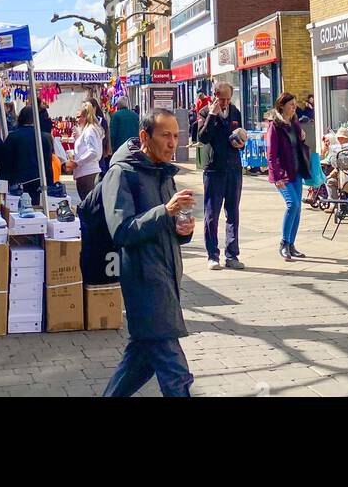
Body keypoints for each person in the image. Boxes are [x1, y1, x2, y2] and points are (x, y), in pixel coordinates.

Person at [102, 108, 195, 398]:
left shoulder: (164, 173)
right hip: (144, 281)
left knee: (139, 363)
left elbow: (164, 225)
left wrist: (184, 229)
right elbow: (122, 231)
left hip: (166, 277)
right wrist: (165, 212)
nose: (172, 143)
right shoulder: (121, 173)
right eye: (165, 135)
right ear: (145, 136)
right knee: (176, 373)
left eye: (176, 136)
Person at [196, 81, 245, 271]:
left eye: (228, 99)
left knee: (233, 212)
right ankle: (212, 255)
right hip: (214, 169)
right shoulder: (205, 113)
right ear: (215, 96)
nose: (225, 103)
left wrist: (241, 143)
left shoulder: (235, 112)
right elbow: (203, 137)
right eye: (221, 99)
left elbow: (240, 134)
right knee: (212, 214)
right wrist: (212, 114)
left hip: (233, 168)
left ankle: (232, 254)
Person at [266, 92, 311, 261]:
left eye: (294, 104)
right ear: (282, 106)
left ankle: (291, 244)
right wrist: (276, 176)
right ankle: (283, 243)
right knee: (292, 204)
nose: (294, 107)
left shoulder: (294, 122)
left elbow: (298, 144)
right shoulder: (275, 125)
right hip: (283, 174)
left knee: (298, 207)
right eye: (291, 105)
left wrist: (301, 136)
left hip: (296, 170)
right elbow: (271, 154)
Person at [0, 104, 53, 204]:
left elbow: (5, 164)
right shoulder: (44, 138)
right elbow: (48, 165)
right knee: (36, 210)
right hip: (37, 182)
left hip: (15, 184)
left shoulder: (12, 137)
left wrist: (3, 185)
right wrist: (50, 184)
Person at [71, 101, 104, 200]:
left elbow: (94, 152)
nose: (77, 120)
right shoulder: (89, 130)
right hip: (86, 174)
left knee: (88, 207)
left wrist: (78, 162)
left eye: (79, 117)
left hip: (87, 174)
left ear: (86, 117)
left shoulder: (90, 130)